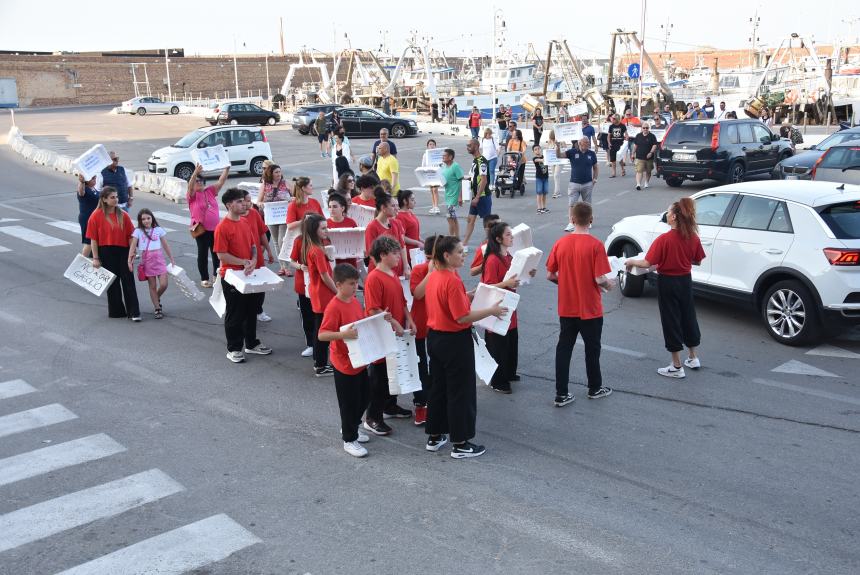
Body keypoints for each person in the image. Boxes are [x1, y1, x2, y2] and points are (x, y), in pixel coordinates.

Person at [424, 236, 507, 458]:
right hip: (454, 341)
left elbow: (448, 303)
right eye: (460, 252)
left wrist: (466, 295)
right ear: (446, 255)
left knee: (439, 388)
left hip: (435, 338)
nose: (464, 255)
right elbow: (462, 317)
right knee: (460, 391)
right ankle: (461, 443)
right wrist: (491, 310)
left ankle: (435, 435)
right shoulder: (451, 280)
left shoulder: (434, 276)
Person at [625, 198, 704, 379]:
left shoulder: (664, 239)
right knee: (688, 316)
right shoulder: (693, 237)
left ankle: (676, 365)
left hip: (668, 282)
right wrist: (681, 259)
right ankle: (693, 357)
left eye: (668, 212)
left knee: (671, 321)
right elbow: (697, 260)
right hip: (685, 280)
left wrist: (630, 261)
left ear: (674, 217)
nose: (666, 215)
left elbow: (646, 262)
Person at [546, 202, 614, 407]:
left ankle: (561, 393)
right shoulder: (595, 245)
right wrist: (609, 285)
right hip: (590, 308)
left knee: (564, 348)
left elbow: (550, 274)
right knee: (592, 349)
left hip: (567, 306)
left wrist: (565, 282)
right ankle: (594, 388)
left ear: (572, 219)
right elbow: (600, 279)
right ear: (591, 220)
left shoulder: (561, 243)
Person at [362, 236, 417, 435]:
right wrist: (393, 321)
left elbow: (402, 301)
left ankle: (389, 406)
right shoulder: (374, 278)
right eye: (394, 253)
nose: (398, 257)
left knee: (393, 372)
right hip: (382, 336)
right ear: (383, 255)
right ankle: (372, 417)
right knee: (380, 379)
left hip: (396, 333)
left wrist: (408, 318)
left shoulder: (392, 274)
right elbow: (372, 310)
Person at [317, 263, 372, 457]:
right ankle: (349, 439)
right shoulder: (334, 306)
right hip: (343, 363)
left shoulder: (354, 301)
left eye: (357, 282)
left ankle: (352, 427)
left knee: (364, 397)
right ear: (338, 284)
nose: (355, 286)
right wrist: (343, 335)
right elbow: (322, 335)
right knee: (348, 403)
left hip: (359, 360)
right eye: (351, 283)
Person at [214, 188, 272, 363]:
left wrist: (253, 259)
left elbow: (253, 245)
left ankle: (252, 343)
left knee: (251, 310)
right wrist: (243, 262)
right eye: (239, 201)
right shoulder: (222, 227)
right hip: (231, 275)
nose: (244, 204)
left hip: (248, 273)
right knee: (235, 313)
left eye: (243, 201)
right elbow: (221, 255)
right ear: (229, 205)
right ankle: (234, 348)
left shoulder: (245, 222)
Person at [481, 222, 533, 394]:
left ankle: (509, 373)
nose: (512, 237)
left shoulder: (509, 256)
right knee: (499, 346)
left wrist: (528, 273)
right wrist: (507, 283)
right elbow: (488, 286)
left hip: (510, 306)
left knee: (511, 342)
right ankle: (498, 380)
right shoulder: (492, 260)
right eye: (508, 235)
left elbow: (517, 277)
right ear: (498, 239)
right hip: (497, 307)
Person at [87, 187, 141, 321]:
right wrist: (95, 258)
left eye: (116, 197)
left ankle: (134, 312)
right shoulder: (96, 215)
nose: (116, 199)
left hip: (123, 251)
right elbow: (93, 239)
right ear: (104, 199)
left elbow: (131, 236)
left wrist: (132, 252)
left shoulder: (123, 215)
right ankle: (117, 311)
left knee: (128, 281)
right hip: (105, 251)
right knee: (112, 282)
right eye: (112, 197)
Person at [300, 213, 337, 376]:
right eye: (323, 228)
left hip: (318, 293)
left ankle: (319, 362)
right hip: (323, 294)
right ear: (315, 230)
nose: (326, 230)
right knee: (322, 329)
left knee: (320, 327)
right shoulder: (316, 250)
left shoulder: (314, 247)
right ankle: (320, 364)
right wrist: (338, 291)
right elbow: (325, 276)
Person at [408, 235, 438, 427]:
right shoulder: (419, 270)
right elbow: (417, 293)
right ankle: (421, 403)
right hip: (420, 324)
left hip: (437, 325)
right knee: (420, 366)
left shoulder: (448, 271)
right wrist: (430, 273)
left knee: (436, 364)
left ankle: (434, 400)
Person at [188, 164, 230, 288]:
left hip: (215, 229)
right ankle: (204, 278)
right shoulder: (192, 196)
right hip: (201, 229)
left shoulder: (210, 191)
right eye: (196, 181)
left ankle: (216, 275)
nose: (199, 183)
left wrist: (226, 169)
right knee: (203, 254)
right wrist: (195, 173)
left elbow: (221, 181)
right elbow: (190, 186)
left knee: (216, 253)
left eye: (200, 181)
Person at [128, 209, 174, 319]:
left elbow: (165, 245)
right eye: (143, 219)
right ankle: (157, 308)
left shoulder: (158, 230)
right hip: (147, 260)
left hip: (159, 259)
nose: (146, 221)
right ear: (140, 220)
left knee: (164, 284)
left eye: (148, 218)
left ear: (152, 218)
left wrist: (171, 258)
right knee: (152, 286)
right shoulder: (138, 231)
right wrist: (130, 260)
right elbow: (133, 247)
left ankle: (156, 297)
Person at [240, 190, 275, 323]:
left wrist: (269, 250)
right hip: (244, 259)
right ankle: (246, 311)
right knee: (246, 286)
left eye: (250, 200)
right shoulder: (237, 218)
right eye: (247, 200)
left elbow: (262, 233)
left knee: (260, 285)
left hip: (258, 257)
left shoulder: (254, 213)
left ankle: (258, 310)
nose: (250, 203)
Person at [256, 163, 292, 277]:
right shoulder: (265, 185)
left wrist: (291, 199)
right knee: (276, 242)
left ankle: (287, 267)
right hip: (271, 216)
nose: (279, 174)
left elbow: (295, 196)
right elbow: (258, 201)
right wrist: (261, 204)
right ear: (270, 173)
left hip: (283, 216)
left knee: (282, 240)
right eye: (276, 172)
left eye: (280, 172)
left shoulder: (286, 183)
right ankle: (282, 267)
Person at [557, 136, 598, 232]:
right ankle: (571, 223)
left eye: (588, 143)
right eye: (585, 143)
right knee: (572, 204)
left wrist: (595, 179)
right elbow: (559, 155)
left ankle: (588, 222)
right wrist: (557, 147)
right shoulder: (572, 152)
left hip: (587, 183)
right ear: (580, 143)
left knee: (587, 204)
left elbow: (595, 167)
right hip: (574, 183)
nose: (587, 145)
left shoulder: (591, 154)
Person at [365, 189, 409, 278]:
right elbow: (372, 254)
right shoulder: (372, 227)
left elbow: (402, 246)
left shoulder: (397, 223)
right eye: (393, 206)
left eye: (397, 205)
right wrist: (384, 271)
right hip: (381, 272)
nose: (397, 208)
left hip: (397, 269)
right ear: (383, 208)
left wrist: (406, 266)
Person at [461, 139, 491, 250]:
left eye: (469, 145)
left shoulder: (482, 161)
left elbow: (484, 180)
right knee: (470, 219)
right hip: (475, 196)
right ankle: (464, 243)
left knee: (487, 223)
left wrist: (477, 196)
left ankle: (491, 243)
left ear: (477, 146)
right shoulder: (475, 160)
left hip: (482, 196)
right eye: (467, 145)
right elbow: (474, 177)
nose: (467, 147)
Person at [326, 193, 358, 270]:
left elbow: (357, 241)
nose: (331, 209)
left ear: (342, 208)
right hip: (333, 262)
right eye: (329, 207)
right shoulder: (325, 224)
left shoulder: (351, 222)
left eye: (335, 207)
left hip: (350, 262)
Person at [440, 148, 464, 238]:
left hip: (454, 197)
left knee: (449, 218)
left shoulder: (455, 166)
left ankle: (451, 237)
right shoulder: (444, 167)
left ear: (450, 157)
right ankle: (456, 238)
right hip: (448, 196)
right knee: (453, 218)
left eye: (444, 156)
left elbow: (461, 181)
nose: (443, 157)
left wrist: (460, 197)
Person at [395, 189, 424, 260]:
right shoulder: (400, 216)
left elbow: (413, 231)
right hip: (408, 252)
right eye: (412, 200)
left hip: (416, 250)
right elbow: (402, 237)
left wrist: (422, 240)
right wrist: (417, 242)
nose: (415, 202)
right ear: (405, 201)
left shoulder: (409, 212)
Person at [76, 173, 100, 257]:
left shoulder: (93, 189)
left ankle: (94, 258)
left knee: (95, 240)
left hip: (95, 219)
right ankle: (81, 263)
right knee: (89, 242)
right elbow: (81, 192)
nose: (94, 180)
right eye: (92, 178)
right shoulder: (84, 189)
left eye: (95, 178)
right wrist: (81, 182)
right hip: (87, 219)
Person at [632, 124, 658, 191]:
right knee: (639, 170)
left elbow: (654, 145)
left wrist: (651, 152)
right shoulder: (638, 136)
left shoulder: (652, 136)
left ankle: (646, 182)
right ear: (642, 128)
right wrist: (632, 153)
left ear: (648, 128)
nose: (645, 129)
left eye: (646, 128)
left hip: (649, 157)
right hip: (639, 157)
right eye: (644, 128)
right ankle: (638, 184)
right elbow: (635, 145)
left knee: (648, 171)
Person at [423, 139, 441, 214]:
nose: (431, 146)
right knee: (431, 190)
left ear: (435, 146)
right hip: (429, 174)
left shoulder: (438, 154)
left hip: (436, 174)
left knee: (435, 190)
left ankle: (436, 206)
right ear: (427, 146)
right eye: (430, 144)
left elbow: (441, 163)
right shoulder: (425, 155)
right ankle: (433, 206)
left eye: (433, 144)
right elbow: (423, 164)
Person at [532, 145, 550, 214]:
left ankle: (544, 207)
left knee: (545, 192)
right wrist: (543, 159)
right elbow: (538, 160)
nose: (537, 150)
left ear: (540, 149)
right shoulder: (535, 158)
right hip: (539, 177)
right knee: (539, 192)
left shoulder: (544, 156)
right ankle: (539, 208)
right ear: (533, 151)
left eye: (538, 149)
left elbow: (550, 159)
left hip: (546, 177)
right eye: (535, 149)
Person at [547, 130, 563, 199]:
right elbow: (547, 150)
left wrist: (558, 145)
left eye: (553, 138)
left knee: (556, 175)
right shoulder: (549, 141)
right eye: (552, 138)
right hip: (552, 160)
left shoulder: (561, 141)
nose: (552, 139)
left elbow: (564, 149)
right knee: (555, 176)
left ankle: (556, 192)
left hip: (559, 160)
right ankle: (558, 190)